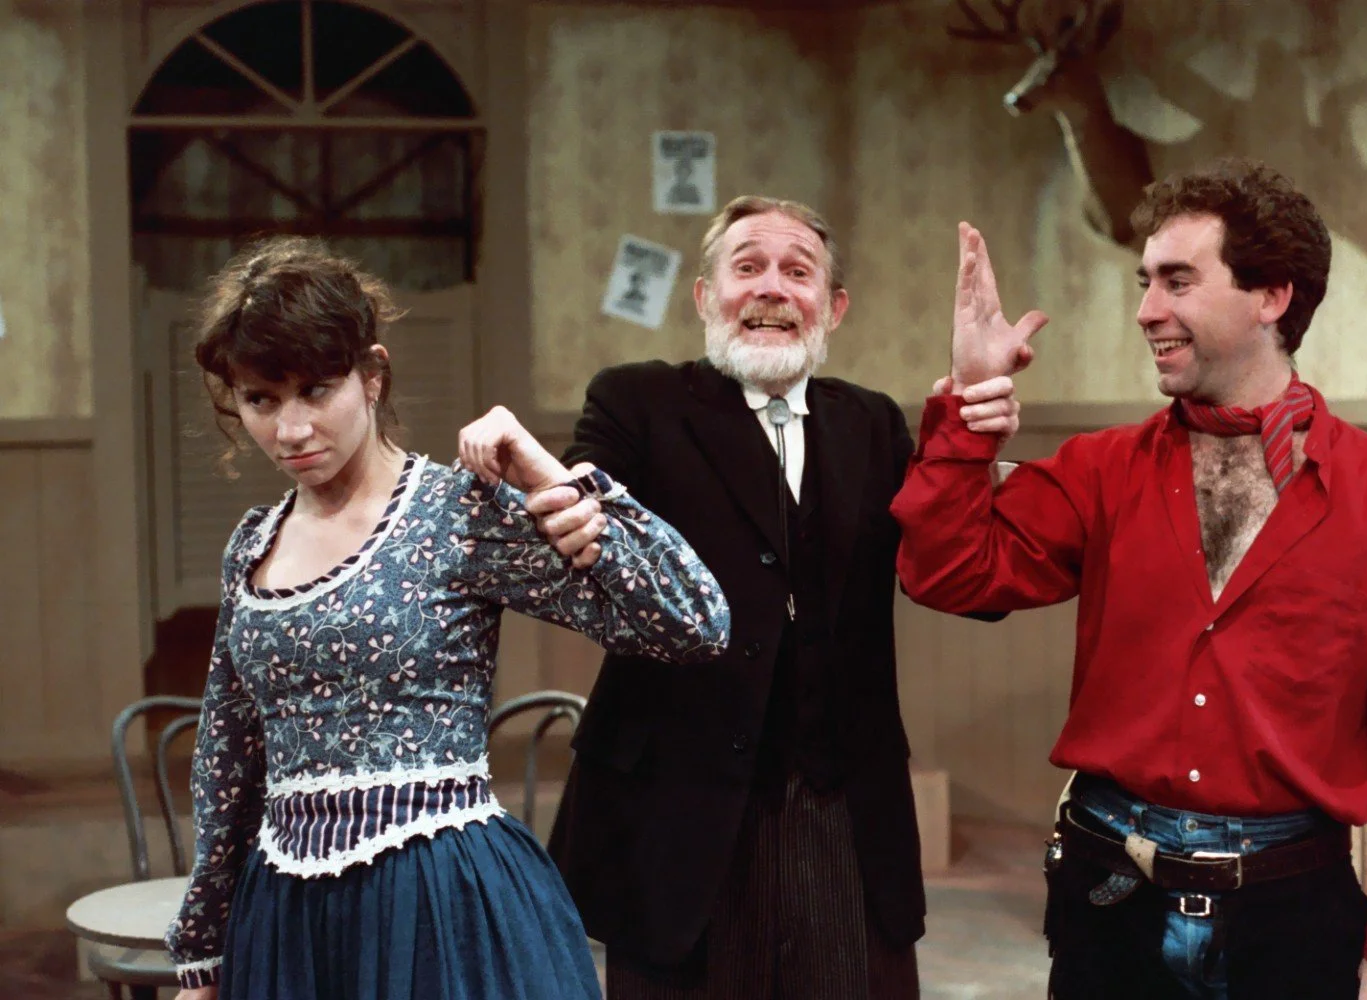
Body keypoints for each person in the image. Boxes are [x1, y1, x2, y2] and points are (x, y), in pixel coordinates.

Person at [889, 158, 1367, 999]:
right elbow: (949, 573)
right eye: (1145, 282)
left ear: (1271, 296)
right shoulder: (1101, 469)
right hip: (1108, 902)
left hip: (1291, 913)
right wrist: (968, 406)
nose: (1146, 310)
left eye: (1177, 280)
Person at [164, 236, 730, 1000]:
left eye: (315, 391)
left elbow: (695, 620)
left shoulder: (456, 514)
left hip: (440, 905)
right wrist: (204, 947)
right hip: (288, 918)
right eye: (262, 400)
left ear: (371, 374)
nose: (290, 430)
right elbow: (229, 756)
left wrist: (551, 476)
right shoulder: (252, 546)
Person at [459, 195, 925, 998]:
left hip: (843, 813)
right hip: (679, 812)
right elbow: (585, 502)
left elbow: (953, 558)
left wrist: (978, 435)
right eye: (746, 268)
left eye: (797, 272)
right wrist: (539, 470)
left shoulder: (875, 424)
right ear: (707, 298)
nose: (771, 288)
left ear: (834, 308)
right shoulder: (638, 402)